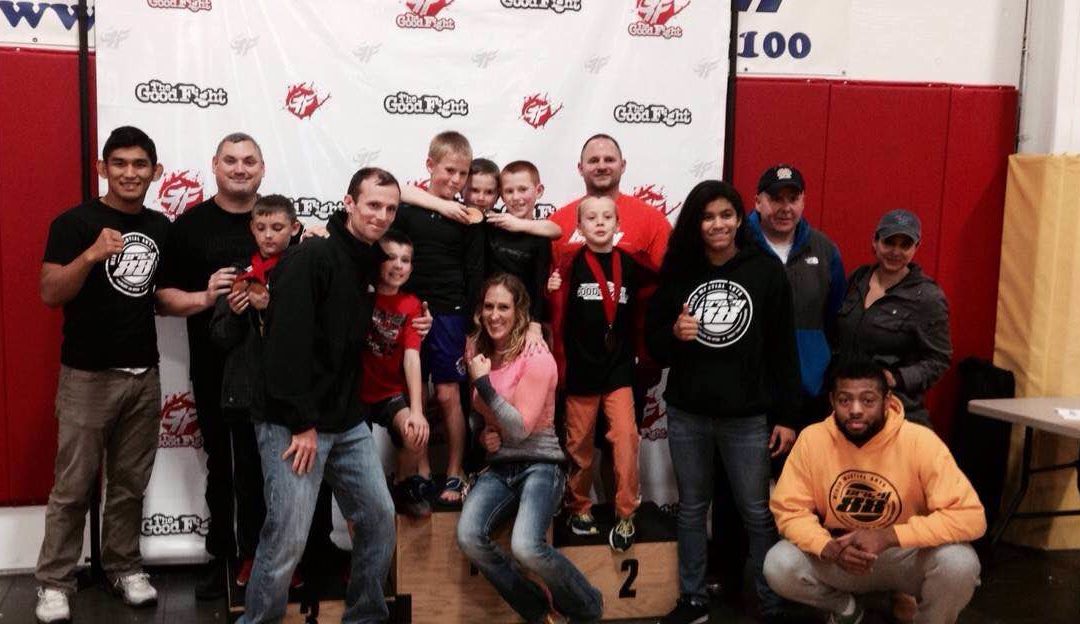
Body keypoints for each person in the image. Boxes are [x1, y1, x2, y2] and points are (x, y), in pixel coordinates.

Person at [237, 167, 417, 624]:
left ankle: (365, 616)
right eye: (372, 205)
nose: (381, 215)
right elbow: (284, 346)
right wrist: (302, 423)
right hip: (291, 420)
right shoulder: (313, 256)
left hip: (345, 418)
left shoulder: (368, 261)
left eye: (390, 208)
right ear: (349, 203)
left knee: (378, 518)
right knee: (287, 537)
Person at [645, 180, 800, 624]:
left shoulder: (765, 272)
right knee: (692, 508)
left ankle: (771, 603)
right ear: (696, 223)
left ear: (739, 219)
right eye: (708, 216)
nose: (718, 224)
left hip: (747, 417)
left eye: (726, 215)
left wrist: (787, 416)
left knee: (756, 511)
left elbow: (783, 351)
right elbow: (655, 345)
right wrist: (674, 336)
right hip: (688, 412)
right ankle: (693, 600)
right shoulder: (679, 273)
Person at [35, 126, 169, 622]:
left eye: (140, 164)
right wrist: (91, 255)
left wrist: (208, 297)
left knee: (130, 483)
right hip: (87, 375)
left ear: (155, 171)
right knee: (72, 488)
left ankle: (123, 566)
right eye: (120, 163)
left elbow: (161, 294)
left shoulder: (160, 226)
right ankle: (53, 582)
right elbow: (50, 292)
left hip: (144, 373)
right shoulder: (74, 223)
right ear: (102, 168)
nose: (130, 173)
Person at [764, 360, 985, 624]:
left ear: (887, 400)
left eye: (868, 401)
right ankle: (846, 609)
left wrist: (889, 536)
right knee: (778, 563)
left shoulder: (920, 441)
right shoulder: (813, 439)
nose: (855, 410)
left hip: (904, 554)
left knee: (960, 564)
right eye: (845, 400)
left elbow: (971, 517)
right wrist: (827, 547)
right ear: (832, 401)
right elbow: (789, 509)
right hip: (840, 552)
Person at [156, 132, 279, 597]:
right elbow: (162, 299)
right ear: (215, 165)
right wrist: (207, 296)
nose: (240, 168)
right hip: (215, 369)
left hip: (274, 373)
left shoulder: (278, 221)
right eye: (231, 160)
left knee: (268, 470)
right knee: (224, 469)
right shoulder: (189, 227)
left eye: (250, 160)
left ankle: (267, 557)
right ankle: (223, 558)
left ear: (263, 168)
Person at [456, 274, 604, 624]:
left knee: (526, 546)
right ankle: (537, 610)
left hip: (540, 464)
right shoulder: (478, 350)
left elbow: (521, 427)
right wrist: (483, 436)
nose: (495, 315)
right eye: (489, 306)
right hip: (500, 467)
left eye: (503, 307)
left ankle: (588, 606)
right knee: (469, 536)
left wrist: (482, 383)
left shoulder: (537, 355)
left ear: (519, 311)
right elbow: (484, 416)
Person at [207, 194, 300, 585]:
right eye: (261, 228)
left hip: (289, 400)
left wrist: (270, 308)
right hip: (245, 400)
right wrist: (237, 312)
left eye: (277, 228)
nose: (268, 235)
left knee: (292, 487)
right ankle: (250, 554)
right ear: (252, 229)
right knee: (249, 482)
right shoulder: (240, 277)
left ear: (293, 229)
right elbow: (220, 338)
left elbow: (306, 334)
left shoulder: (303, 271)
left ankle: (291, 559)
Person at [390, 130, 484, 507]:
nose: (456, 181)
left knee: (447, 395)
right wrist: (439, 205)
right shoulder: (408, 207)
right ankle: (422, 469)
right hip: (410, 311)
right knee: (417, 395)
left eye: (463, 174)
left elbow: (475, 274)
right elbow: (390, 187)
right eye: (449, 171)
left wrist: (473, 325)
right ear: (430, 165)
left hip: (451, 315)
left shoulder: (469, 217)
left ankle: (456, 471)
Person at [547, 196, 642, 551]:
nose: (599, 223)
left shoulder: (629, 264)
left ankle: (626, 511)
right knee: (579, 444)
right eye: (591, 217)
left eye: (607, 217)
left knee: (625, 437)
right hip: (581, 368)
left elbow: (646, 306)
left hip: (617, 369)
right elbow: (552, 313)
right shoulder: (569, 264)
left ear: (618, 225)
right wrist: (549, 290)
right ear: (579, 226)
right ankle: (579, 506)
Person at [833, 209, 951, 426]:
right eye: (889, 242)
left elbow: (939, 360)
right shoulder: (857, 280)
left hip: (897, 411)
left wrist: (896, 377)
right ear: (875, 242)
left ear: (916, 248)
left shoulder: (927, 297)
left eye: (904, 245)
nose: (895, 251)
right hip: (848, 409)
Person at [749, 164, 845, 423]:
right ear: (758, 202)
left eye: (793, 199)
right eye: (776, 199)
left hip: (808, 389)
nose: (785, 208)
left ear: (803, 201)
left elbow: (835, 318)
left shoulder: (825, 250)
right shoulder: (737, 245)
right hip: (747, 393)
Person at [359, 230, 431, 517]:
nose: (398, 265)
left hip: (390, 392)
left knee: (415, 432)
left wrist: (416, 410)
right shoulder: (360, 294)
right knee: (358, 464)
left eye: (405, 260)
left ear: (412, 267)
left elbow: (412, 358)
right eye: (390, 257)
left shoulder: (411, 305)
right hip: (356, 395)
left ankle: (402, 484)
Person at [487, 160, 552, 346]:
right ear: (501, 195)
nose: (516, 197)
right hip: (491, 319)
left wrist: (535, 325)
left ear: (538, 191)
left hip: (525, 320)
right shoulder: (490, 224)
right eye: (509, 191)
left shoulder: (541, 234)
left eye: (523, 189)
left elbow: (540, 283)